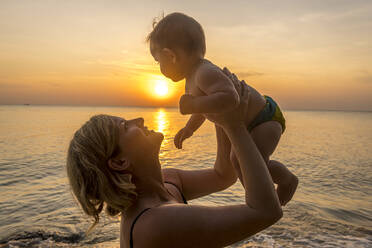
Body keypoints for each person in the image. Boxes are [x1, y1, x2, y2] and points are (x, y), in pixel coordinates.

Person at [66, 74, 283, 247]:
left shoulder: (168, 181)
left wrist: (220, 108)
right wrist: (235, 126)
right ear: (120, 162)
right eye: (125, 127)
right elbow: (265, 212)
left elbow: (223, 175)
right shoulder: (154, 223)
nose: (138, 119)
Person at [147, 12, 298, 205]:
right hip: (252, 120)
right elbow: (205, 107)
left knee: (240, 161)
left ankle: (279, 188)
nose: (160, 67)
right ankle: (262, 203)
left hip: (264, 118)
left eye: (159, 61)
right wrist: (189, 128)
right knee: (239, 163)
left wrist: (193, 104)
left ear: (171, 55)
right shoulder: (193, 77)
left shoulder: (205, 72)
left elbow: (230, 98)